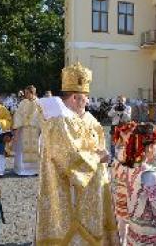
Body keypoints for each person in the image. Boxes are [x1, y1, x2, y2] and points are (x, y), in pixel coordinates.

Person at [36, 62, 118, 245]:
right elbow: (69, 158)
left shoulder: (87, 117)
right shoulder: (58, 121)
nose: (88, 101)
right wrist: (99, 157)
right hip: (70, 191)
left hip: (93, 189)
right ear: (74, 97)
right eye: (85, 97)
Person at [112, 122, 156, 245]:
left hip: (134, 235)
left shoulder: (129, 168)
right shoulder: (149, 175)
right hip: (150, 238)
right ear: (149, 147)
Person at [12, 85, 42, 176]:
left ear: (32, 93)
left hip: (35, 130)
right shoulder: (22, 103)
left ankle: (35, 170)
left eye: (26, 93)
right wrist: (17, 127)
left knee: (36, 149)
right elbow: (18, 115)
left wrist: (42, 127)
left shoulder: (40, 103)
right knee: (22, 149)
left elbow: (42, 116)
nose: (25, 95)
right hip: (24, 129)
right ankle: (23, 170)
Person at [108, 95, 131, 160]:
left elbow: (128, 118)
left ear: (125, 101)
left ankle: (123, 157)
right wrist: (115, 110)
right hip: (114, 126)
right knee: (113, 143)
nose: (120, 102)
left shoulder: (128, 107)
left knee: (123, 143)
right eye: (119, 100)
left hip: (123, 126)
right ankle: (112, 158)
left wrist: (123, 112)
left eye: (122, 101)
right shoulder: (114, 107)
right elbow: (109, 114)